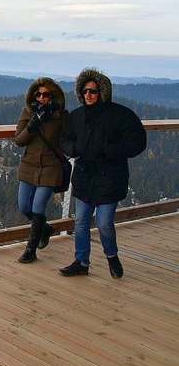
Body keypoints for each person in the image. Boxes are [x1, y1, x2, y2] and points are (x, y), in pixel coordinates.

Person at [59, 67, 147, 278]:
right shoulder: (77, 116)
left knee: (104, 223)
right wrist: (73, 150)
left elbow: (138, 142)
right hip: (84, 176)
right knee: (80, 222)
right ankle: (81, 262)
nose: (88, 95)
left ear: (103, 92)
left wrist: (110, 151)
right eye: (85, 90)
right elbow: (64, 139)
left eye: (93, 90)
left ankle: (112, 256)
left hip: (110, 177)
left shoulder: (121, 115)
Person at [14, 77, 68, 263]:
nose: (42, 98)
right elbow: (19, 140)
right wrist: (33, 124)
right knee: (24, 206)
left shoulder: (61, 115)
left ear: (52, 95)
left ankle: (31, 250)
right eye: (38, 94)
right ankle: (46, 229)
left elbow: (68, 140)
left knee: (38, 208)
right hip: (29, 165)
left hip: (50, 167)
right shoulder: (28, 112)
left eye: (46, 94)